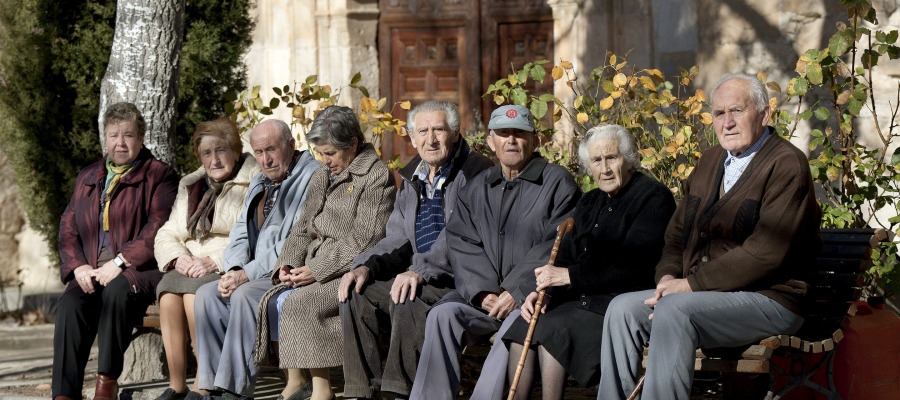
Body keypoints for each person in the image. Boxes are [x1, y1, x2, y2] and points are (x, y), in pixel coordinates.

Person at [597, 72, 822, 400]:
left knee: (675, 311)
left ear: (764, 114)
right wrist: (668, 278)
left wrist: (689, 286)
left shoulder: (787, 164)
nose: (727, 122)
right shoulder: (710, 160)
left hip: (771, 298)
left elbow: (765, 252)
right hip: (704, 296)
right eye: (719, 113)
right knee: (621, 310)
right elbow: (676, 234)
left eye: (737, 110)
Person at [409, 105, 580, 400]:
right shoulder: (477, 187)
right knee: (443, 314)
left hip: (531, 298)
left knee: (515, 327)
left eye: (519, 134)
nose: (511, 140)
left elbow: (557, 244)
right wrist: (481, 292)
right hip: (483, 299)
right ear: (491, 141)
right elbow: (461, 243)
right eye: (503, 133)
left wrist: (517, 290)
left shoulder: (557, 183)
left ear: (534, 140)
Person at [503, 125, 675, 400]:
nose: (604, 168)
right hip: (579, 302)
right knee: (522, 328)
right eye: (596, 160)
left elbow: (636, 264)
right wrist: (545, 292)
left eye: (612, 158)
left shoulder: (653, 198)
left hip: (618, 305)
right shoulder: (590, 200)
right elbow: (566, 256)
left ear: (628, 159)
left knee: (555, 332)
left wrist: (568, 276)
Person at [337, 101, 493, 399]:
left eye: (439, 130)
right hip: (421, 274)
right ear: (412, 138)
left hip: (459, 280)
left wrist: (420, 271)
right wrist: (364, 266)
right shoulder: (413, 178)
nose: (430, 139)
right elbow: (396, 237)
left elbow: (461, 234)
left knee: (409, 299)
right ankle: (361, 391)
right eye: (423, 131)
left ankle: (398, 392)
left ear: (455, 134)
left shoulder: (476, 173)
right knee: (356, 292)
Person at [253, 105, 396, 400]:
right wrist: (288, 263)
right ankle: (295, 380)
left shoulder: (375, 176)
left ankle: (322, 390)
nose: (324, 160)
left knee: (301, 303)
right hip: (314, 263)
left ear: (353, 144)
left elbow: (365, 240)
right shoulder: (321, 176)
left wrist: (317, 269)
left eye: (330, 153)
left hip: (350, 268)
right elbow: (302, 228)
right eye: (320, 153)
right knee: (278, 295)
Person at [52, 102, 179, 400]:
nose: (120, 143)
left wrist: (120, 262)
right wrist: (79, 267)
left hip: (140, 270)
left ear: (141, 137)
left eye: (128, 135)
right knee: (70, 305)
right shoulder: (88, 176)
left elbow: (158, 229)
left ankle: (106, 382)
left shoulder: (159, 175)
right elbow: (68, 227)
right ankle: (63, 394)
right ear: (104, 139)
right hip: (92, 270)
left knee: (117, 292)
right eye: (113, 135)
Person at [193, 119, 320, 400]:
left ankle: (235, 390)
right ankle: (210, 389)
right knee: (207, 295)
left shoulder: (312, 177)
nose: (265, 159)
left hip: (287, 272)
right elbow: (240, 231)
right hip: (252, 271)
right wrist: (235, 268)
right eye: (259, 152)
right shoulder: (260, 180)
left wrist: (247, 274)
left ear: (291, 145)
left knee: (245, 295)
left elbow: (293, 242)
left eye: (271, 150)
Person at [152, 118, 260, 400]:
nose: (214, 159)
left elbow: (251, 237)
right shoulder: (191, 184)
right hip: (190, 263)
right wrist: (177, 258)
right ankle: (176, 386)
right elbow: (167, 233)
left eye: (221, 150)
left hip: (225, 264)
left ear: (236, 151)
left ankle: (204, 382)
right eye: (206, 153)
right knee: (167, 293)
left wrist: (214, 260)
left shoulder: (252, 182)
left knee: (194, 295)